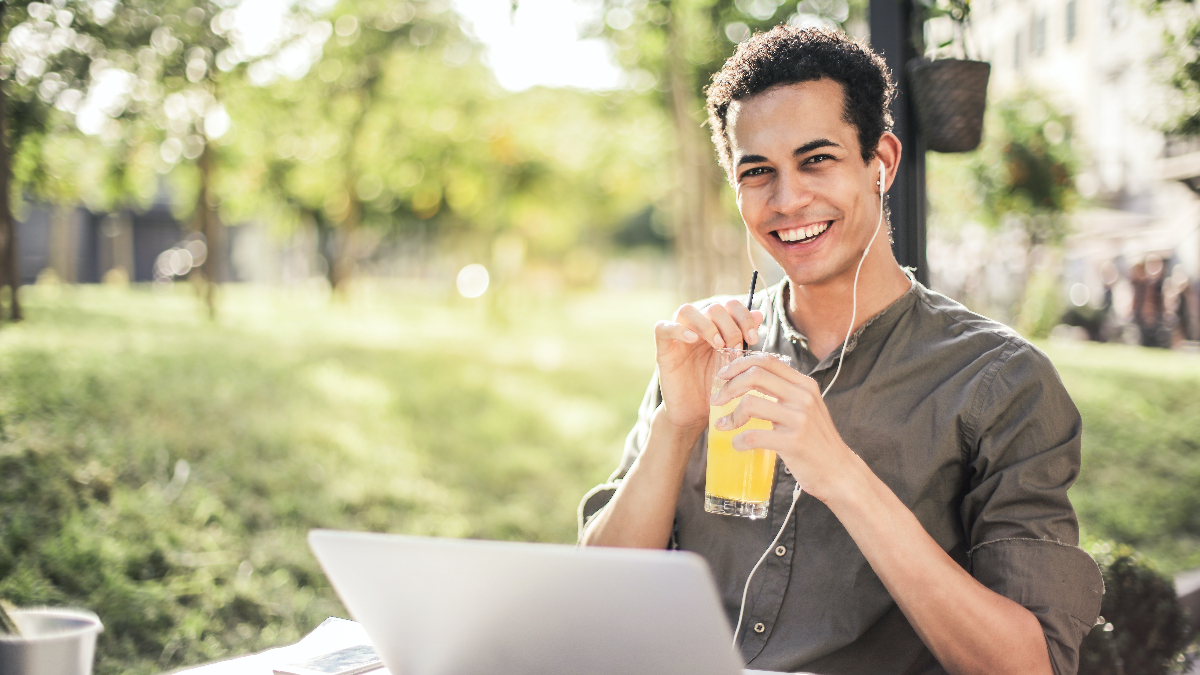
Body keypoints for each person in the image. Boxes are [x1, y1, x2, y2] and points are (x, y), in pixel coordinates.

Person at [578, 26, 1103, 675]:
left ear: (881, 160)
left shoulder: (1003, 383)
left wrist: (841, 472)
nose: (788, 198)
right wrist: (674, 425)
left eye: (816, 159)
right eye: (758, 171)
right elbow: (593, 602)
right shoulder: (709, 354)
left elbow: (1034, 666)